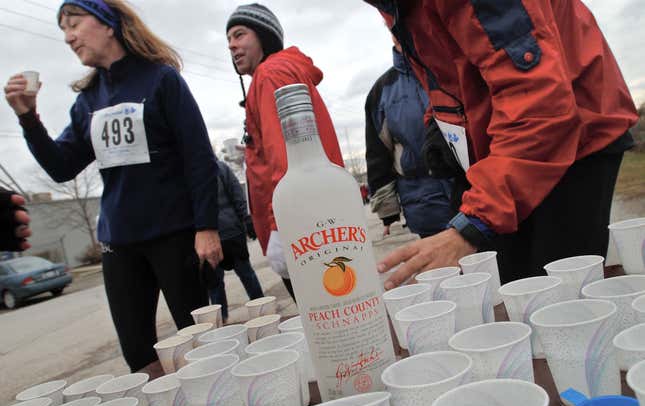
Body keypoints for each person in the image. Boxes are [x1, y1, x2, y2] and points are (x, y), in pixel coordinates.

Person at [4, 0, 222, 372]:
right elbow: (61, 167)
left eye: (74, 23)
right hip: (118, 241)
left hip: (175, 234)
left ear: (109, 24)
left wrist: (206, 227)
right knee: (137, 352)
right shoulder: (88, 100)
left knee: (200, 340)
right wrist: (28, 119)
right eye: (63, 31)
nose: (69, 37)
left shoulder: (161, 79)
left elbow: (198, 156)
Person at [365, 0, 639, 288]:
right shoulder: (394, 7)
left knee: (556, 291)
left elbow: (538, 101)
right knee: (510, 288)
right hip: (501, 145)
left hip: (574, 135)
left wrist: (472, 225)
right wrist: (439, 120)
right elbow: (455, 71)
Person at [226, 3, 344, 299]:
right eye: (228, 40)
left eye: (240, 35)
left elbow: (287, 156)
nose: (232, 45)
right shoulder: (277, 73)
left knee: (325, 313)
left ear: (264, 36)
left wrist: (282, 227)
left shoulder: (270, 75)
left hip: (302, 226)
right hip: (315, 217)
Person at [365, 36, 454, 239]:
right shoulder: (381, 91)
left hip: (472, 191)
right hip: (423, 204)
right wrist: (388, 214)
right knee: (440, 269)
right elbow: (377, 155)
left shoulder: (453, 67)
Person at [205, 160, 264, 322]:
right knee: (246, 274)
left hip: (208, 237)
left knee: (215, 284)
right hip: (232, 231)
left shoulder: (190, 172)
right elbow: (237, 194)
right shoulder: (220, 167)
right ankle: (262, 309)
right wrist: (247, 219)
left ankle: (220, 320)